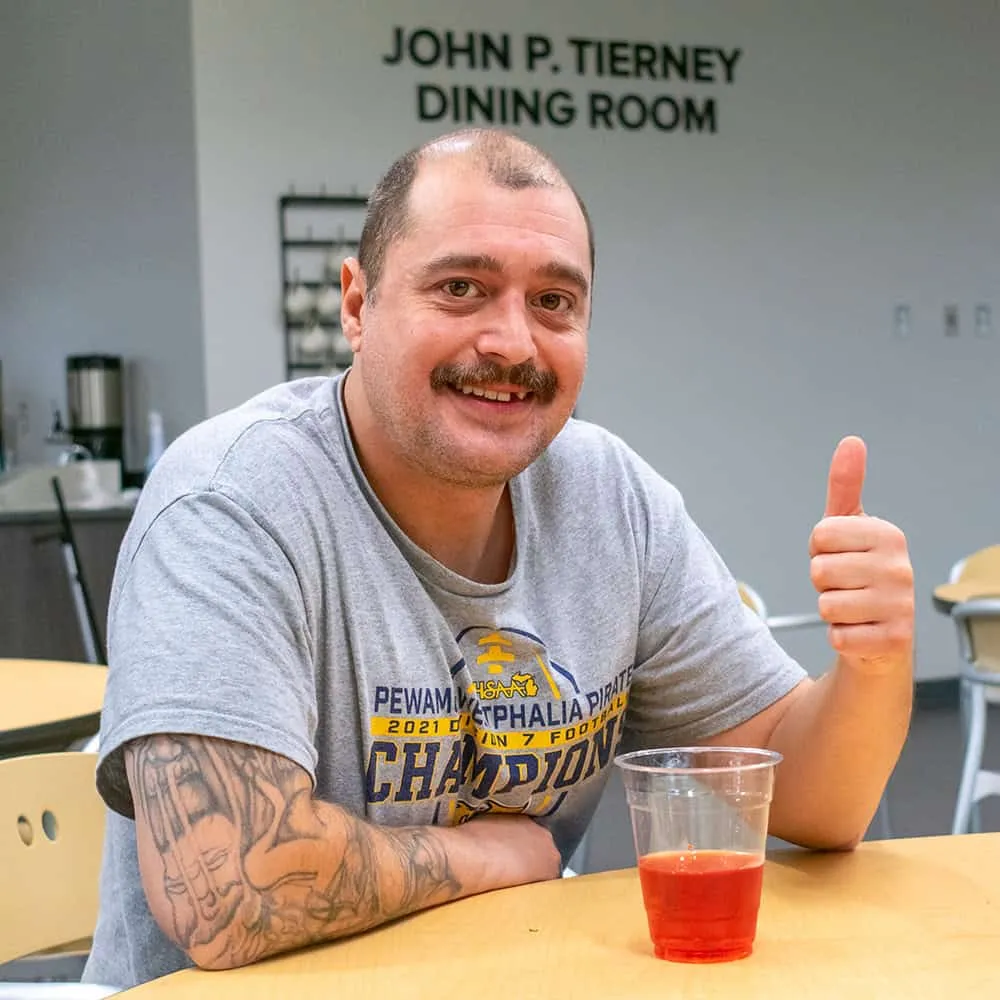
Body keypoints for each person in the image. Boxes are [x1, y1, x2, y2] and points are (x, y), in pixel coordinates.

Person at [83, 128, 914, 989]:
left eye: (554, 302)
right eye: (460, 288)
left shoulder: (610, 501)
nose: (513, 343)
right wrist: (484, 857)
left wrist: (875, 664)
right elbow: (229, 899)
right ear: (357, 306)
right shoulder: (231, 501)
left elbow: (815, 801)